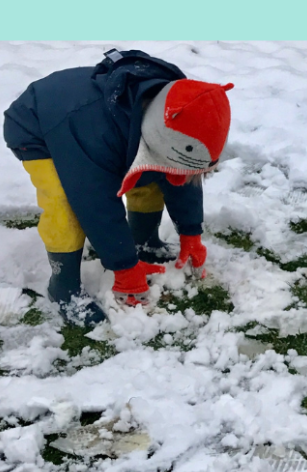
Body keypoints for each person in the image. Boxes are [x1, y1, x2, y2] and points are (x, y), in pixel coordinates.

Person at [3, 48, 233, 328]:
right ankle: (63, 287)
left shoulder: (178, 113)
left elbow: (181, 175)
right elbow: (94, 204)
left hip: (111, 127)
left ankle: (144, 242)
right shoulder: (96, 135)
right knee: (67, 205)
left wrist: (191, 232)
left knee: (152, 178)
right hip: (40, 128)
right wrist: (123, 266)